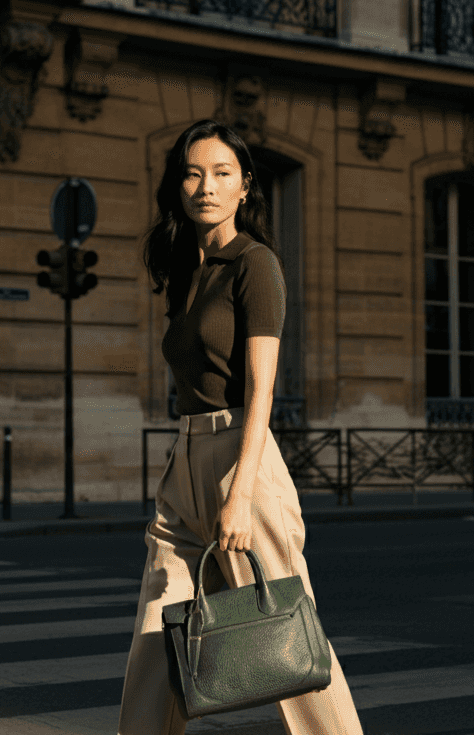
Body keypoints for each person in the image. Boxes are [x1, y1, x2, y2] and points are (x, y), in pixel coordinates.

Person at [117, 119, 364, 734]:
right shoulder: (186, 269)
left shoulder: (256, 265)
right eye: (194, 172)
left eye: (223, 173)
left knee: (289, 634)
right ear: (179, 185)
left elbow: (262, 390)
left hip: (240, 459)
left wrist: (242, 489)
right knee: (156, 636)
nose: (207, 185)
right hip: (185, 465)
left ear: (246, 186)